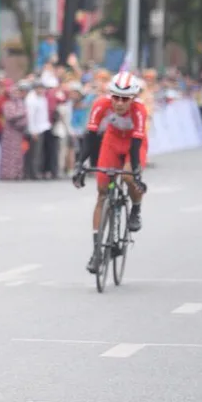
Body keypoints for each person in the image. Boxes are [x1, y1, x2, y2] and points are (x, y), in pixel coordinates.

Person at [73, 72, 148, 274]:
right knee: (102, 191)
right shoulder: (100, 104)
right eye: (116, 97)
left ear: (133, 98)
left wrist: (135, 174)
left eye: (125, 99)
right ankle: (97, 251)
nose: (120, 103)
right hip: (112, 140)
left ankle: (136, 208)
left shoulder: (140, 110)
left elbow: (135, 145)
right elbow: (89, 136)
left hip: (133, 143)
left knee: (126, 176)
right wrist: (80, 164)